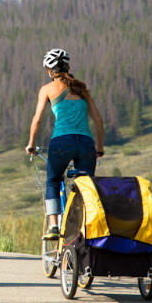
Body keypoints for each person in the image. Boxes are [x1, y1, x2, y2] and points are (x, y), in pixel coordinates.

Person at [26, 48, 105, 240]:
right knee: (85, 186)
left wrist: (31, 144)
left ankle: (54, 225)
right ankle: (84, 225)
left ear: (49, 70)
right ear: (68, 67)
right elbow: (98, 120)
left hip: (62, 142)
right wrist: (99, 148)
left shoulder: (47, 89)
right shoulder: (82, 88)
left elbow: (37, 120)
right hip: (86, 143)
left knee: (53, 180)